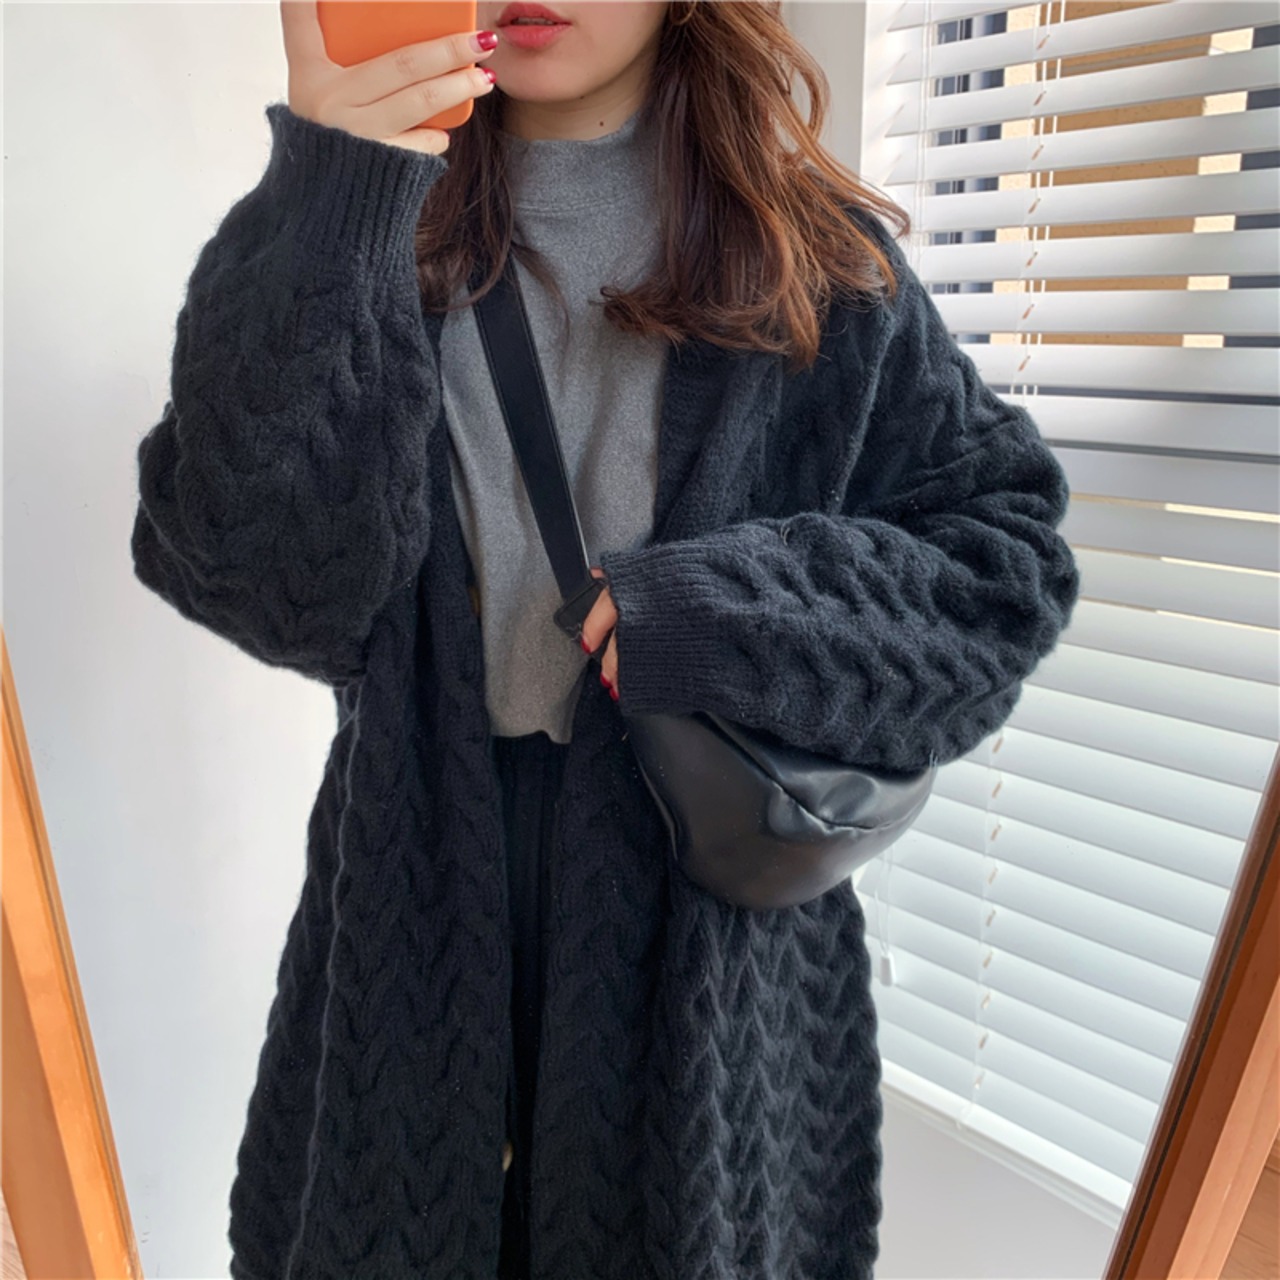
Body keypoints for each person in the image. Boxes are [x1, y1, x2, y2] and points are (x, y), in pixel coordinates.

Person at [129, 2, 1081, 1277]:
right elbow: (261, 582)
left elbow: (1003, 568)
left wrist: (722, 617)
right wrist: (331, 188)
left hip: (702, 970)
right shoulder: (354, 228)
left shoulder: (810, 258)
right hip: (411, 905)